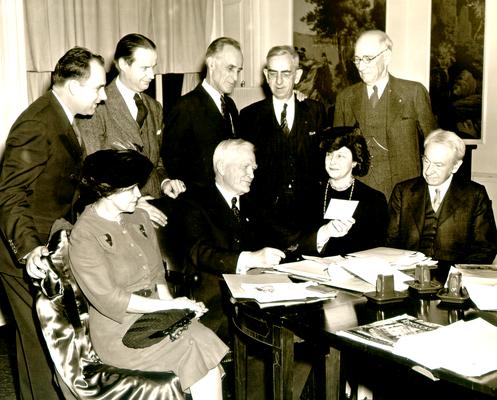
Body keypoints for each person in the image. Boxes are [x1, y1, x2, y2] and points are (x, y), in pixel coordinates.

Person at [68, 149, 228, 399]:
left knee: (208, 354)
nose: (138, 195)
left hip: (156, 317)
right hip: (119, 331)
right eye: (130, 188)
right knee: (201, 361)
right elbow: (111, 300)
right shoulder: (84, 235)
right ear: (107, 190)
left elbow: (157, 277)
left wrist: (178, 310)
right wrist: (171, 307)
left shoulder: (139, 217)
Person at [0, 47, 106, 399]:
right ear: (73, 87)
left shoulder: (63, 117)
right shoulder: (37, 122)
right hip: (25, 253)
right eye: (97, 88)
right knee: (42, 344)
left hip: (50, 245)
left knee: (45, 343)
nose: (102, 96)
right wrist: (30, 251)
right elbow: (10, 195)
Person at [176, 139, 286, 338]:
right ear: (221, 167)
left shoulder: (252, 201)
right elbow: (200, 252)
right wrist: (251, 259)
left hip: (254, 297)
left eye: (253, 168)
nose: (251, 175)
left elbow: (283, 235)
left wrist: (322, 234)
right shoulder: (193, 201)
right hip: (215, 303)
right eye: (245, 167)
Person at [76, 33, 184, 226]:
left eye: (153, 67)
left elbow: (156, 161)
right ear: (123, 65)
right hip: (117, 216)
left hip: (155, 207)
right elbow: (94, 173)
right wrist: (134, 202)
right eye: (144, 68)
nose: (151, 75)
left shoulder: (154, 108)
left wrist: (164, 182)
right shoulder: (97, 106)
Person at [334, 30, 437, 198]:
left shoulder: (414, 93)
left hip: (405, 193)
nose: (361, 66)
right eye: (357, 59)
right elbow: (337, 151)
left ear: (387, 56)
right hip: (361, 193)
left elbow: (435, 146)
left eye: (368, 58)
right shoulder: (345, 98)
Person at [239, 45, 329, 231]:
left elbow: (322, 165)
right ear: (266, 75)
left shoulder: (315, 111)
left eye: (286, 74)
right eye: (273, 73)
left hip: (308, 216)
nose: (279, 81)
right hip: (265, 219)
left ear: (297, 76)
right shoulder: (249, 116)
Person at [386, 129, 497, 279]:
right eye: (426, 161)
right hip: (407, 278)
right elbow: (388, 242)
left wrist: (456, 278)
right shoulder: (403, 191)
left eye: (438, 165)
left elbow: (485, 248)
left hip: (453, 282)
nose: (429, 171)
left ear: (455, 166)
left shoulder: (475, 195)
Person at [162, 37, 243, 189]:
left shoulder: (230, 106)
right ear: (211, 64)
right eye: (230, 68)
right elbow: (171, 164)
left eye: (238, 71)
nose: (235, 78)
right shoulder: (185, 106)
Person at [297, 127, 388, 256]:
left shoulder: (373, 200)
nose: (332, 161)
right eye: (329, 154)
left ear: (355, 161)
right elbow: (296, 246)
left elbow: (378, 250)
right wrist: (324, 233)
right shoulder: (306, 195)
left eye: (340, 156)